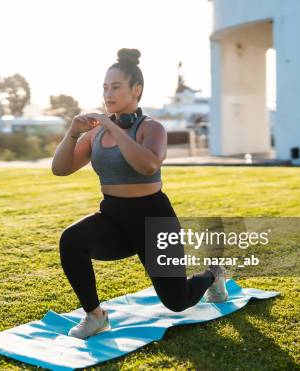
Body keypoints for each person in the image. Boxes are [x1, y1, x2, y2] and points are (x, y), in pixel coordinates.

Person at [51, 48, 228, 340]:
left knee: (177, 301)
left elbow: (147, 165)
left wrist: (112, 125)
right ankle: (96, 317)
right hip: (114, 218)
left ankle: (212, 273)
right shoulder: (94, 134)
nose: (108, 93)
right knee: (71, 239)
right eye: (105, 87)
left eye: (116, 87)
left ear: (137, 90)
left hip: (153, 220)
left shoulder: (152, 128)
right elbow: (61, 169)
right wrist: (73, 132)